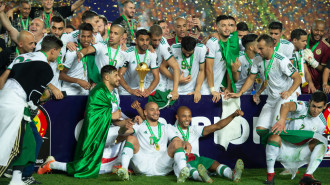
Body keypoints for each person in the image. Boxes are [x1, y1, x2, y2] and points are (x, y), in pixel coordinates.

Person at [37, 65, 134, 178]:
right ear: (107, 77)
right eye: (116, 75)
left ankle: (119, 165)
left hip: (107, 128)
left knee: (131, 130)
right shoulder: (98, 91)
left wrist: (125, 121)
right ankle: (53, 165)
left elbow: (114, 118)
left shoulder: (114, 93)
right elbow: (91, 115)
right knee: (84, 167)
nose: (119, 78)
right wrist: (111, 116)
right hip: (95, 130)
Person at [0, 35, 62, 185]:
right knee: (11, 144)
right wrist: (35, 106)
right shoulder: (46, 68)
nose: (59, 55)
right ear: (53, 51)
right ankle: (15, 177)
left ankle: (17, 179)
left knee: (30, 141)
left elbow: (5, 77)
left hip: (5, 98)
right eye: (59, 52)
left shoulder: (22, 57)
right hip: (16, 105)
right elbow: (34, 95)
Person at [228, 34, 301, 143]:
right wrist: (241, 93)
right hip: (272, 99)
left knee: (275, 130)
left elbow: (298, 78)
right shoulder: (258, 60)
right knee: (260, 130)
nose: (258, 51)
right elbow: (252, 78)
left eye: (261, 48)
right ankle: (274, 146)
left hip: (284, 99)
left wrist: (289, 92)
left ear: (270, 47)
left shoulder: (281, 60)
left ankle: (279, 152)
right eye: (258, 47)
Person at [116, 102, 191, 183]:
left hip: (162, 164)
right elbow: (122, 133)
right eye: (152, 110)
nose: (156, 112)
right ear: (145, 112)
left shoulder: (165, 126)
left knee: (177, 142)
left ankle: (182, 172)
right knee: (131, 138)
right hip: (142, 164)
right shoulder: (139, 126)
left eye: (157, 110)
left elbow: (178, 141)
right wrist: (124, 128)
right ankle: (124, 170)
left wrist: (184, 142)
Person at [264, 91, 328, 185]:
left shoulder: (322, 123)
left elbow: (315, 147)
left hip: (301, 152)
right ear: (309, 102)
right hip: (284, 148)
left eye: (319, 107)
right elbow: (285, 106)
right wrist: (281, 121)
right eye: (313, 106)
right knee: (273, 137)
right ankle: (270, 176)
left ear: (325, 106)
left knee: (321, 143)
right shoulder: (302, 106)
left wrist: (310, 171)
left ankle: (307, 176)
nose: (315, 110)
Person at [171, 106, 244, 183]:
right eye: (184, 116)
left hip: (196, 158)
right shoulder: (171, 129)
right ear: (177, 117)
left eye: (189, 116)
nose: (187, 119)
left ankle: (232, 174)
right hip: (182, 161)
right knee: (189, 168)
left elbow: (217, 126)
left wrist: (233, 115)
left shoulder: (194, 129)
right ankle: (201, 177)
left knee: (214, 164)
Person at [202, 15, 240, 102]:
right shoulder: (213, 42)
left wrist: (229, 87)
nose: (227, 28)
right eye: (223, 26)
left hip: (217, 89)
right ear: (217, 28)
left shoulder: (231, 43)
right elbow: (208, 68)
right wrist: (212, 89)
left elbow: (229, 67)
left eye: (229, 25)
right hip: (205, 89)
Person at [118, 29, 159, 97]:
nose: (145, 43)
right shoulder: (128, 53)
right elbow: (120, 74)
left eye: (147, 40)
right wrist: (130, 90)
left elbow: (156, 77)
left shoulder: (152, 55)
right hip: (126, 91)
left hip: (143, 91)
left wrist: (148, 90)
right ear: (136, 41)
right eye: (142, 40)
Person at [167, 36, 206, 103]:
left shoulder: (201, 49)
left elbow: (202, 70)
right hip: (173, 89)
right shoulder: (174, 48)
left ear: (194, 48)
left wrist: (197, 90)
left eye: (190, 53)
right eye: (184, 52)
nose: (187, 55)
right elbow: (163, 67)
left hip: (190, 91)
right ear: (181, 47)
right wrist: (177, 79)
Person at [60, 23, 93, 95]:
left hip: (84, 92)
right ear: (78, 36)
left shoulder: (91, 50)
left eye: (88, 36)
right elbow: (61, 75)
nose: (86, 40)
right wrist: (78, 81)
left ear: (92, 37)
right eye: (83, 36)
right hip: (70, 92)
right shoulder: (72, 52)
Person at [149, 24, 179, 100]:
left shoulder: (163, 46)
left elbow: (175, 66)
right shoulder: (143, 39)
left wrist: (175, 90)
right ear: (149, 37)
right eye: (154, 40)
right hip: (142, 79)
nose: (157, 43)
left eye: (159, 39)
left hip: (158, 82)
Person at [302, 19, 329, 94]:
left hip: (314, 86)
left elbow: (325, 69)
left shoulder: (326, 47)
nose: (319, 33)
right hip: (297, 83)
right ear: (311, 28)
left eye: (321, 31)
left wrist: (313, 62)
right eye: (316, 30)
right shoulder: (301, 39)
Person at [290, 29, 315, 94]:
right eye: (303, 41)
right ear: (295, 40)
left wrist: (310, 83)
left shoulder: (301, 51)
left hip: (297, 86)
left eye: (306, 41)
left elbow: (305, 70)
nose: (305, 43)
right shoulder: (287, 52)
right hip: (288, 86)